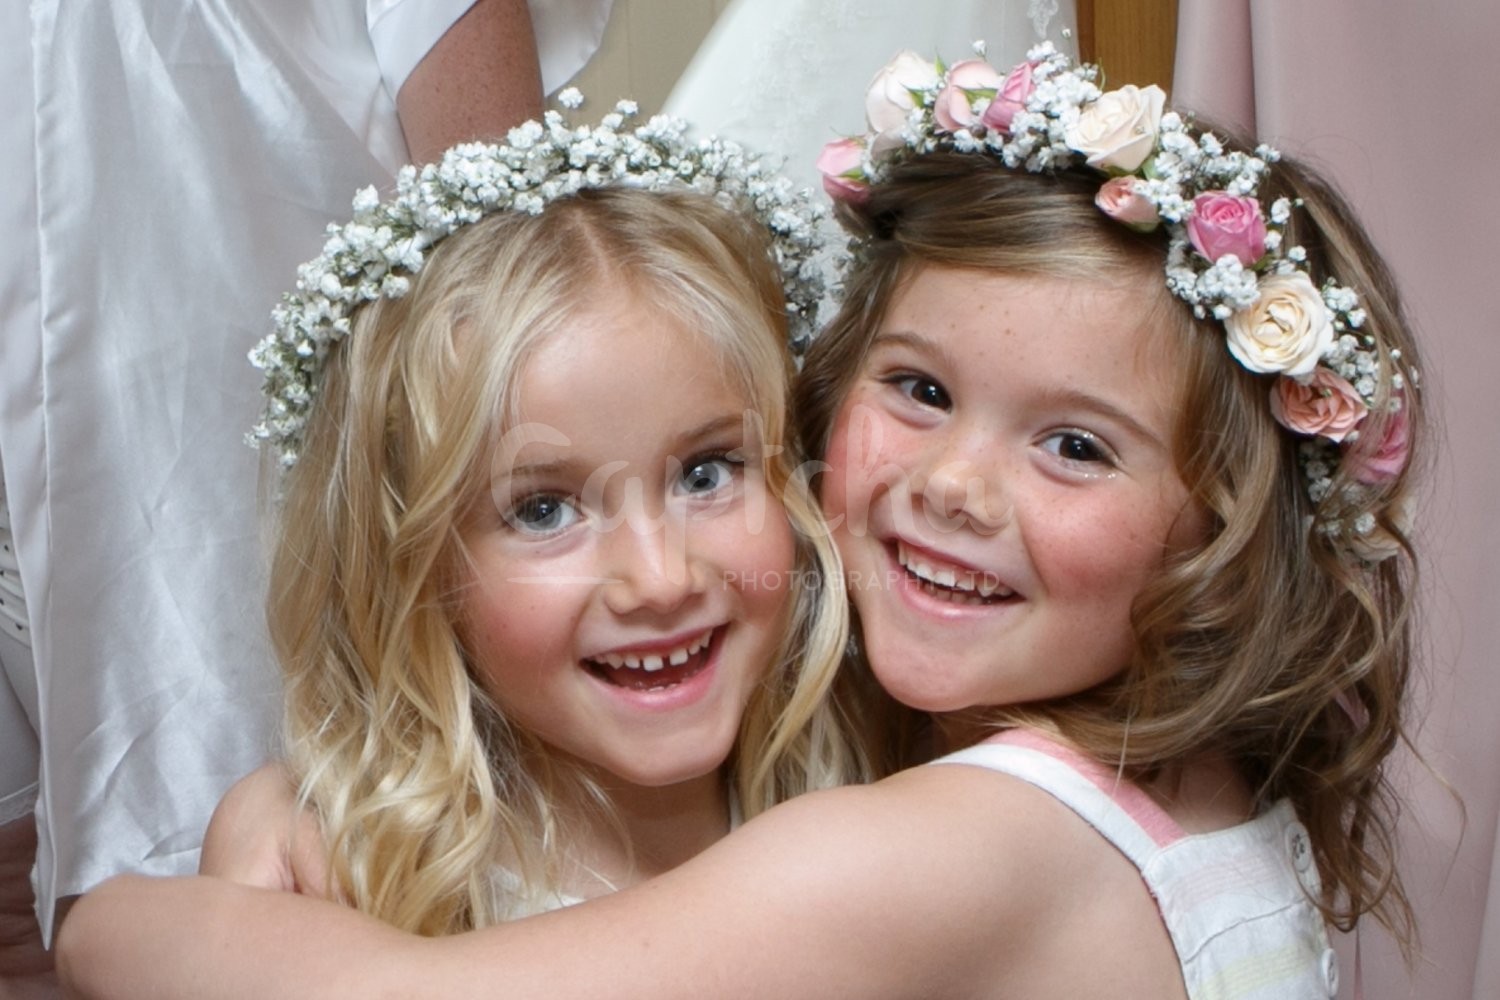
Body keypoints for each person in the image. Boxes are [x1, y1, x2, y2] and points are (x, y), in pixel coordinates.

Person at [56, 43, 1422, 999]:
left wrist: (101, 927)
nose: (952, 485)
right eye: (921, 392)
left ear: (1224, 529)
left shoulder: (949, 845)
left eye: (1073, 443)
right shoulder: (1130, 783)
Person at [0, 0, 612, 979]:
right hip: (42, 491)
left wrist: (530, 496)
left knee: (361, 866)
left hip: (223, 448)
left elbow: (513, 272)